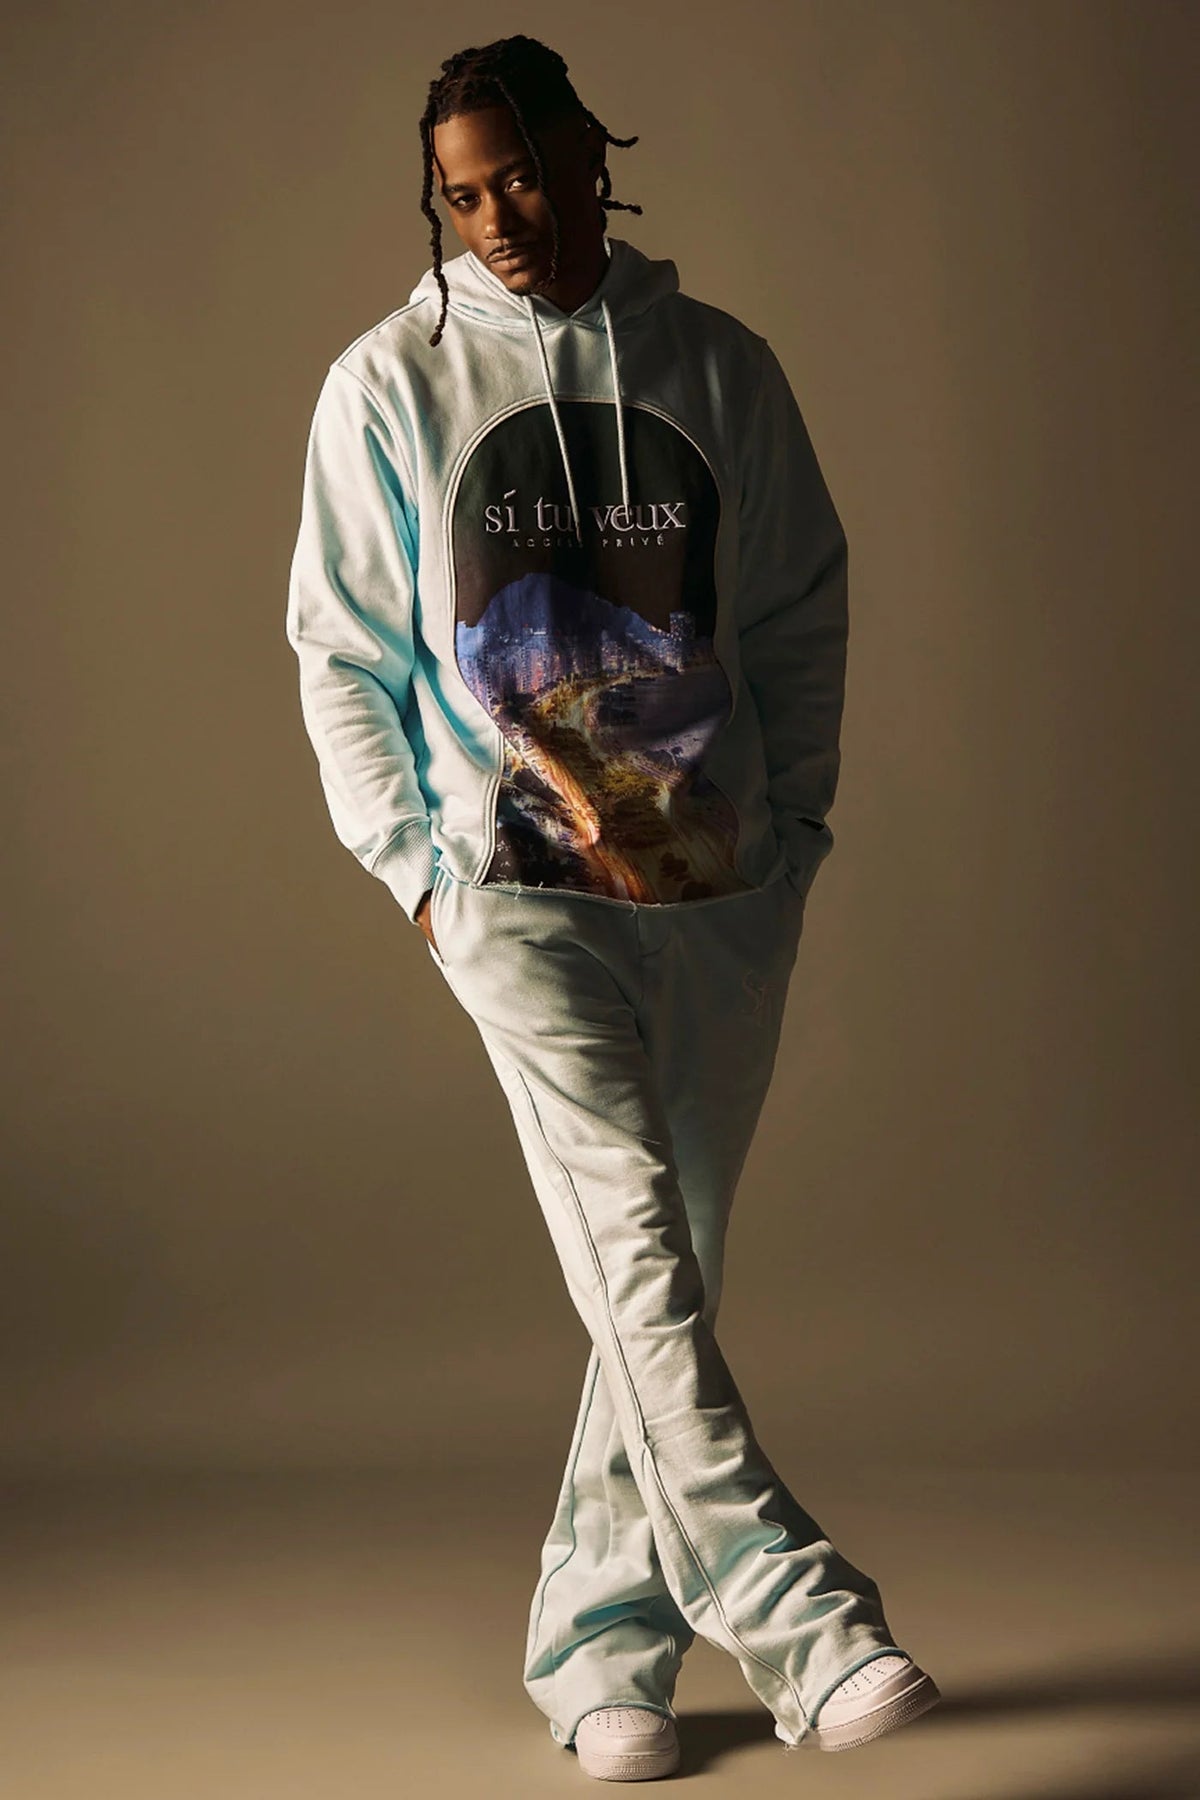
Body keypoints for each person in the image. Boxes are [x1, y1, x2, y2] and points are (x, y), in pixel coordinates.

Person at [285, 31, 940, 1785]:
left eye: (521, 174)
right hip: (513, 887)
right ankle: (806, 1620)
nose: (498, 217)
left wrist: (796, 824)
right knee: (639, 1252)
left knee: (668, 1266)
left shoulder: (719, 366)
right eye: (462, 194)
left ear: (593, 157)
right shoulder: (387, 385)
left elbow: (795, 605)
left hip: (723, 887)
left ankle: (598, 1649)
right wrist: (415, 872)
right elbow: (339, 652)